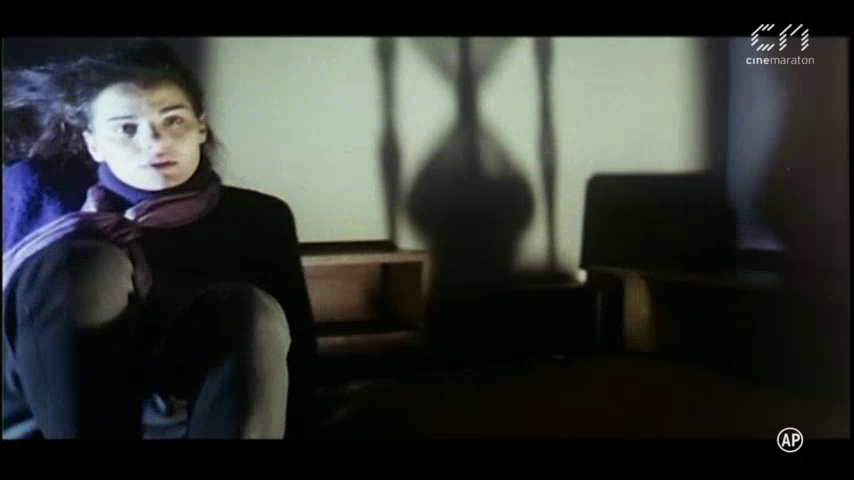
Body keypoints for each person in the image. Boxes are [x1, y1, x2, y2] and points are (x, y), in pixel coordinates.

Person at [2, 39, 318, 439]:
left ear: (201, 127)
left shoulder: (260, 217)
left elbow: (299, 361)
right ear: (93, 143)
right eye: (126, 128)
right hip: (50, 402)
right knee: (88, 263)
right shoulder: (39, 196)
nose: (156, 142)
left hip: (185, 406)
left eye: (174, 121)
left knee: (249, 308)